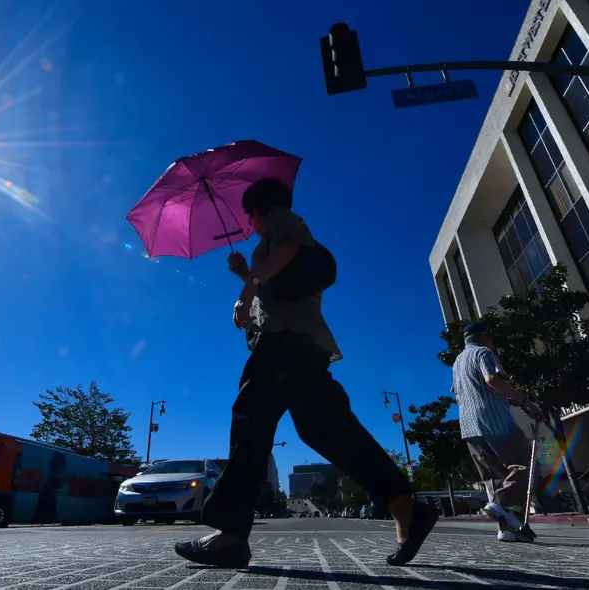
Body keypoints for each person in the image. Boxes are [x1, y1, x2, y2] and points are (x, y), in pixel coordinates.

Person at [174, 178, 437, 568]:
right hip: (302, 347)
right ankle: (404, 505)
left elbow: (287, 248)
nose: (249, 223)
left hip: (282, 347)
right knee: (326, 428)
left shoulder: (283, 221)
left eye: (250, 215)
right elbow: (278, 284)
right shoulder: (273, 244)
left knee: (251, 425)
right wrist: (245, 275)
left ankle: (229, 534)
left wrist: (247, 289)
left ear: (260, 210)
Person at [451, 322, 543, 543]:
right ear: (484, 335)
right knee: (526, 465)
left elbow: (457, 394)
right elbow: (492, 380)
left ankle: (507, 529)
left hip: (469, 426)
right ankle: (500, 504)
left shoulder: (457, 362)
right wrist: (525, 401)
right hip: (494, 421)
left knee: (495, 477)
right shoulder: (484, 352)